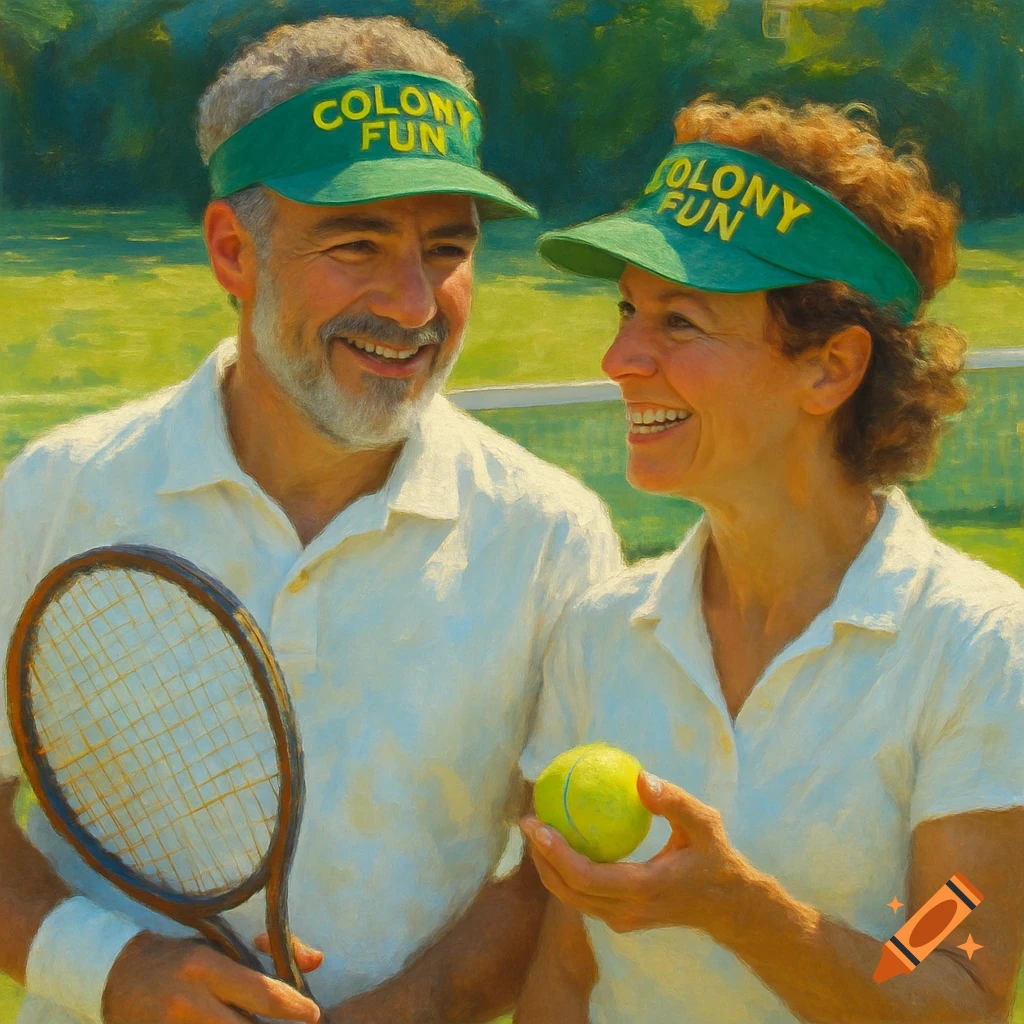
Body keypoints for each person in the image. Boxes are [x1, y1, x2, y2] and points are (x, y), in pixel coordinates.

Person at [0, 16, 622, 1024]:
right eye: (357, 244)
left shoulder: (551, 535)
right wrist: (111, 971)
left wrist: (417, 1004)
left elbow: (557, 876)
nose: (414, 304)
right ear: (231, 250)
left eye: (448, 248)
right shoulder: (57, 492)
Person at [514, 96, 1024, 1023]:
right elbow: (566, 974)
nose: (620, 356)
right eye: (629, 310)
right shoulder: (600, 634)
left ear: (829, 368)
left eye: (680, 322)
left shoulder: (978, 651)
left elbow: (952, 980)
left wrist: (738, 908)